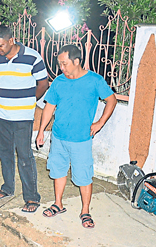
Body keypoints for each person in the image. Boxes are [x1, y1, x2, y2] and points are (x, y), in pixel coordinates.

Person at [36, 44, 117, 228]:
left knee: (84, 176)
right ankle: (58, 203)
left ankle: (85, 211)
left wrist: (100, 122)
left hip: (81, 139)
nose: (62, 68)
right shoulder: (58, 81)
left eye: (64, 64)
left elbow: (111, 100)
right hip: (59, 136)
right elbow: (49, 107)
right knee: (58, 171)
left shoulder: (94, 80)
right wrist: (41, 130)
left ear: (77, 61)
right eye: (60, 64)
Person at [0, 25, 49, 213]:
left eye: (1, 46)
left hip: (23, 117)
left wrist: (30, 101)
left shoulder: (32, 57)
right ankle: (8, 188)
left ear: (11, 40)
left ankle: (32, 197)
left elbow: (43, 83)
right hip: (1, 115)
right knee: (4, 153)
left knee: (24, 156)